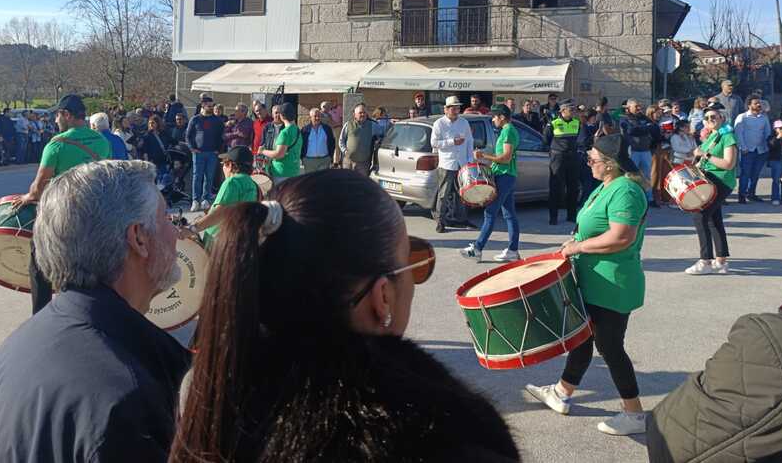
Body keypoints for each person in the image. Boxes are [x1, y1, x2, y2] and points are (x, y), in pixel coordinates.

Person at [169, 170, 519, 463]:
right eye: (412, 262)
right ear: (382, 297)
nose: (416, 275)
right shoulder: (449, 437)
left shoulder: (205, 390)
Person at [647, 97, 782, 460]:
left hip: (717, 182)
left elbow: (670, 443)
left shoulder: (780, 348)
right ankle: (715, 257)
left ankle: (712, 257)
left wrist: (704, 157)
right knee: (710, 222)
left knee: (708, 221)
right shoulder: (712, 133)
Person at [0, 161, 190, 463]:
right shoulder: (123, 397)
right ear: (139, 238)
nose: (176, 232)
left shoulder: (28, 339)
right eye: (168, 219)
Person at [525, 133, 649, 436]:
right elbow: (592, 228)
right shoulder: (606, 186)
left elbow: (621, 237)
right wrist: (575, 242)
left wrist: (578, 248)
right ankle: (561, 393)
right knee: (582, 339)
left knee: (609, 347)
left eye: (592, 158)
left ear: (610, 164)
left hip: (612, 284)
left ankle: (634, 414)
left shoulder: (626, 190)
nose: (588, 161)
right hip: (593, 281)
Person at [16, 94, 112, 313]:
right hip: (93, 216)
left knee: (39, 264)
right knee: (87, 271)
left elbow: (39, 188)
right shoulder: (102, 141)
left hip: (62, 217)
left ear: (67, 115)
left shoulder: (57, 144)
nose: (56, 120)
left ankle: (41, 316)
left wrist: (27, 197)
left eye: (57, 115)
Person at [461, 104, 520, 262]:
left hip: (504, 176)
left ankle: (477, 248)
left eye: (494, 117)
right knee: (509, 214)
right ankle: (513, 251)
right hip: (507, 175)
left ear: (502, 117)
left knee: (490, 212)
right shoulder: (508, 130)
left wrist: (484, 156)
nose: (493, 120)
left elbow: (506, 158)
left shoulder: (508, 131)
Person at [685, 103, 736, 275]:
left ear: (722, 117)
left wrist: (705, 154)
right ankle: (720, 261)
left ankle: (705, 261)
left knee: (700, 215)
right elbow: (704, 159)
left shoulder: (728, 136)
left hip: (721, 180)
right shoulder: (713, 135)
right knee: (714, 219)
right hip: (709, 180)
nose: (710, 120)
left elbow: (728, 164)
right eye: (706, 118)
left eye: (713, 117)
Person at [198, 145, 261, 244]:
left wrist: (192, 228)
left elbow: (218, 214)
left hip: (218, 241)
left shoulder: (232, 182)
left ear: (230, 165)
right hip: (238, 240)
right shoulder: (252, 184)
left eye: (224, 164)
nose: (223, 168)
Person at [429, 96, 474, 233]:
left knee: (463, 193)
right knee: (443, 194)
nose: (456, 111)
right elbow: (434, 143)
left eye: (458, 108)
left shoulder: (464, 122)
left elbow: (469, 141)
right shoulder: (439, 123)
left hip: (462, 163)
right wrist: (452, 142)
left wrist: (469, 160)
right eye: (453, 108)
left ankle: (461, 219)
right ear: (446, 109)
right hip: (447, 164)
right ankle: (440, 221)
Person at [544, 100, 581, 225]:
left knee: (573, 188)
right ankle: (553, 217)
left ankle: (571, 216)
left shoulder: (577, 123)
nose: (573, 112)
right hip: (558, 157)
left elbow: (578, 138)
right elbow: (546, 140)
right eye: (571, 109)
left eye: (574, 109)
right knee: (556, 187)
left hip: (572, 157)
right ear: (563, 110)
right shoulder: (553, 123)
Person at [186, 101, 225, 212]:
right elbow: (188, 135)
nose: (211, 107)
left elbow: (221, 136)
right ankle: (195, 200)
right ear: (203, 106)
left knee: (209, 176)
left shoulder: (217, 120)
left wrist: (218, 150)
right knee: (197, 176)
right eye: (209, 106)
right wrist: (192, 148)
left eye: (212, 105)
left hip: (212, 153)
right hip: (198, 153)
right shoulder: (195, 119)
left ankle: (206, 199)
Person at [734, 95, 772, 203]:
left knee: (755, 174)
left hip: (761, 150)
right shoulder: (742, 117)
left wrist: (768, 147)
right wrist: (743, 147)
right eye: (756, 103)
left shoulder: (764, 118)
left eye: (759, 103)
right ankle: (742, 195)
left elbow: (767, 132)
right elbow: (738, 133)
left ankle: (751, 194)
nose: (759, 105)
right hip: (747, 150)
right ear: (749, 105)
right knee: (745, 174)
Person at [620, 99, 656, 204]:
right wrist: (644, 128)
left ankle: (649, 198)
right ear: (629, 108)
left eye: (639, 106)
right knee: (631, 175)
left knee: (647, 175)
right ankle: (629, 198)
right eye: (636, 106)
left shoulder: (643, 117)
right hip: (632, 151)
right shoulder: (624, 118)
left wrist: (640, 129)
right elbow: (631, 130)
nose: (639, 108)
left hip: (645, 150)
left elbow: (653, 127)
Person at [259, 102, 302, 181]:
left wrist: (263, 151)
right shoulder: (297, 130)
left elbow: (279, 154)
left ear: (282, 116)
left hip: (281, 172)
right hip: (294, 171)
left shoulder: (285, 132)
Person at [338, 103, 376, 176]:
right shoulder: (348, 124)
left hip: (363, 163)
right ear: (355, 115)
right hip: (348, 162)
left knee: (361, 182)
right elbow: (341, 140)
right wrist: (345, 151)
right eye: (360, 113)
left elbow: (383, 131)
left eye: (364, 112)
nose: (362, 114)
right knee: (347, 181)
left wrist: (391, 123)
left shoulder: (372, 125)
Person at [647, 105, 672, 207]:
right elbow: (654, 138)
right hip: (653, 150)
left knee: (659, 173)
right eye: (657, 113)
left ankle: (657, 197)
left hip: (659, 149)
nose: (659, 115)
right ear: (651, 113)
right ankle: (653, 197)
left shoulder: (656, 123)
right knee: (654, 173)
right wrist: (663, 135)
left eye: (660, 113)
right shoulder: (649, 123)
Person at [301, 107, 335, 174]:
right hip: (309, 161)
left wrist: (330, 157)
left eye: (319, 116)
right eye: (315, 116)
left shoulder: (327, 129)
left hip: (324, 160)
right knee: (311, 180)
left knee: (322, 180)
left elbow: (332, 143)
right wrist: (303, 158)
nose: (317, 118)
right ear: (310, 117)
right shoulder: (305, 130)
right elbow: (301, 145)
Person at [578, 108, 602, 204]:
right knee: (587, 182)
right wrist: (594, 137)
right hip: (585, 157)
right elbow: (582, 142)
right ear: (590, 117)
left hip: (595, 156)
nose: (595, 119)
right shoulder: (583, 128)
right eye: (594, 117)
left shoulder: (595, 127)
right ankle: (585, 203)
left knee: (595, 181)